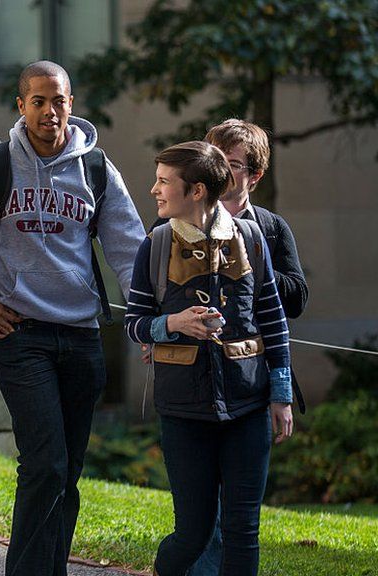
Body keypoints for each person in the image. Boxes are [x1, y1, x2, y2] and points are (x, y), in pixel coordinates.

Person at [0, 60, 145, 576]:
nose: (50, 111)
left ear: (71, 104)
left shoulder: (96, 169)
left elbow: (129, 250)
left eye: (59, 101)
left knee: (67, 471)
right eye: (39, 101)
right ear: (21, 106)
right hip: (21, 336)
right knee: (44, 463)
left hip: (82, 337)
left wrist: (148, 314)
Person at [124, 140, 292, 575]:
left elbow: (272, 319)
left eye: (164, 181)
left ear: (196, 190)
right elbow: (134, 323)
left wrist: (281, 394)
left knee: (243, 530)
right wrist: (174, 323)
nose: (154, 190)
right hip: (183, 411)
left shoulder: (251, 237)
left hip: (248, 405)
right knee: (193, 533)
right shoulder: (156, 244)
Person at [184, 119, 309, 576]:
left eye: (232, 165)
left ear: (253, 177)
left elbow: (295, 298)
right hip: (195, 377)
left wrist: (249, 261)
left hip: (252, 378)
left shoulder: (270, 229)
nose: (219, 170)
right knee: (199, 505)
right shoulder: (183, 222)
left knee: (240, 505)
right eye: (213, 158)